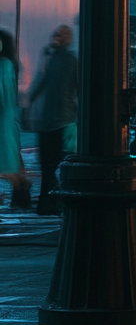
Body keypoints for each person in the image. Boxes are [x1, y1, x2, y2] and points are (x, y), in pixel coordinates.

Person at [29, 25, 78, 216]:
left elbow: (42, 83)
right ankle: (52, 202)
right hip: (62, 119)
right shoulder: (67, 59)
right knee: (55, 164)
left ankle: (47, 203)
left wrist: (29, 104)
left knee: (48, 165)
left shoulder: (53, 59)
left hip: (52, 119)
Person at [0, 30, 30, 211]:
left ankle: (21, 193)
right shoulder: (8, 64)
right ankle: (21, 194)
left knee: (9, 159)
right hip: (7, 119)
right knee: (11, 158)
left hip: (3, 119)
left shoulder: (4, 65)